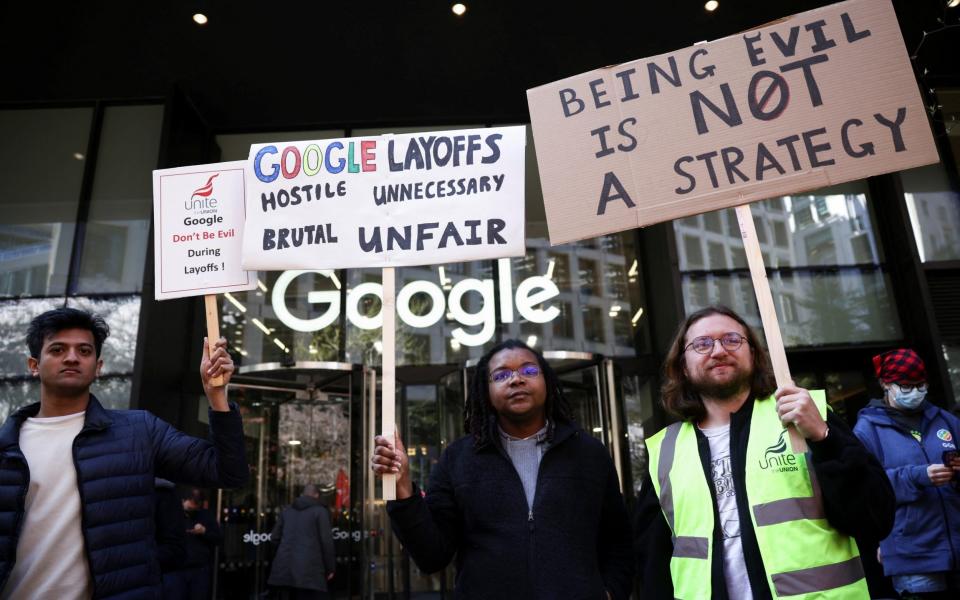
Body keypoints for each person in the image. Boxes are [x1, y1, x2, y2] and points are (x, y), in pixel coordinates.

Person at [634, 305, 895, 599]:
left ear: (754, 354)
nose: (718, 351)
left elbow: (875, 518)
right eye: (702, 343)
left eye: (732, 340)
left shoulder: (804, 416)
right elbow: (652, 564)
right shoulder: (665, 450)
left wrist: (824, 437)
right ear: (683, 365)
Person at [0, 307, 248, 599]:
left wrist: (217, 397)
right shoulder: (7, 447)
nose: (71, 357)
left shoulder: (138, 431)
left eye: (84, 350)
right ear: (33, 365)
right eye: (57, 349)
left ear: (98, 365)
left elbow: (227, 471)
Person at [371, 339, 634, 599]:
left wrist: (610, 593)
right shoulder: (458, 458)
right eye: (502, 375)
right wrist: (402, 485)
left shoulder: (589, 453)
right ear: (485, 391)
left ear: (547, 381)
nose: (517, 379)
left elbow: (619, 541)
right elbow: (431, 555)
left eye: (529, 370)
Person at [853, 348, 960, 598]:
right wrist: (918, 476)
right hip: (913, 556)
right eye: (905, 385)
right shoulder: (867, 430)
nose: (915, 391)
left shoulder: (946, 421)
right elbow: (866, 489)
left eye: (920, 384)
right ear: (885, 384)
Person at [267, 484, 336, 600]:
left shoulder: (287, 511)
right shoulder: (320, 512)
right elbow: (326, 542)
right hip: (309, 572)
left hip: (283, 569)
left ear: (303, 495)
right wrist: (330, 568)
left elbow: (274, 538)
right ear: (317, 495)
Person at [163, 489, 223, 599]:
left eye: (196, 506)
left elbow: (218, 538)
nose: (193, 509)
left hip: (199, 569)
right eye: (190, 507)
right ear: (182, 501)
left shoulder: (205, 515)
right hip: (175, 570)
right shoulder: (171, 515)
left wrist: (204, 531)